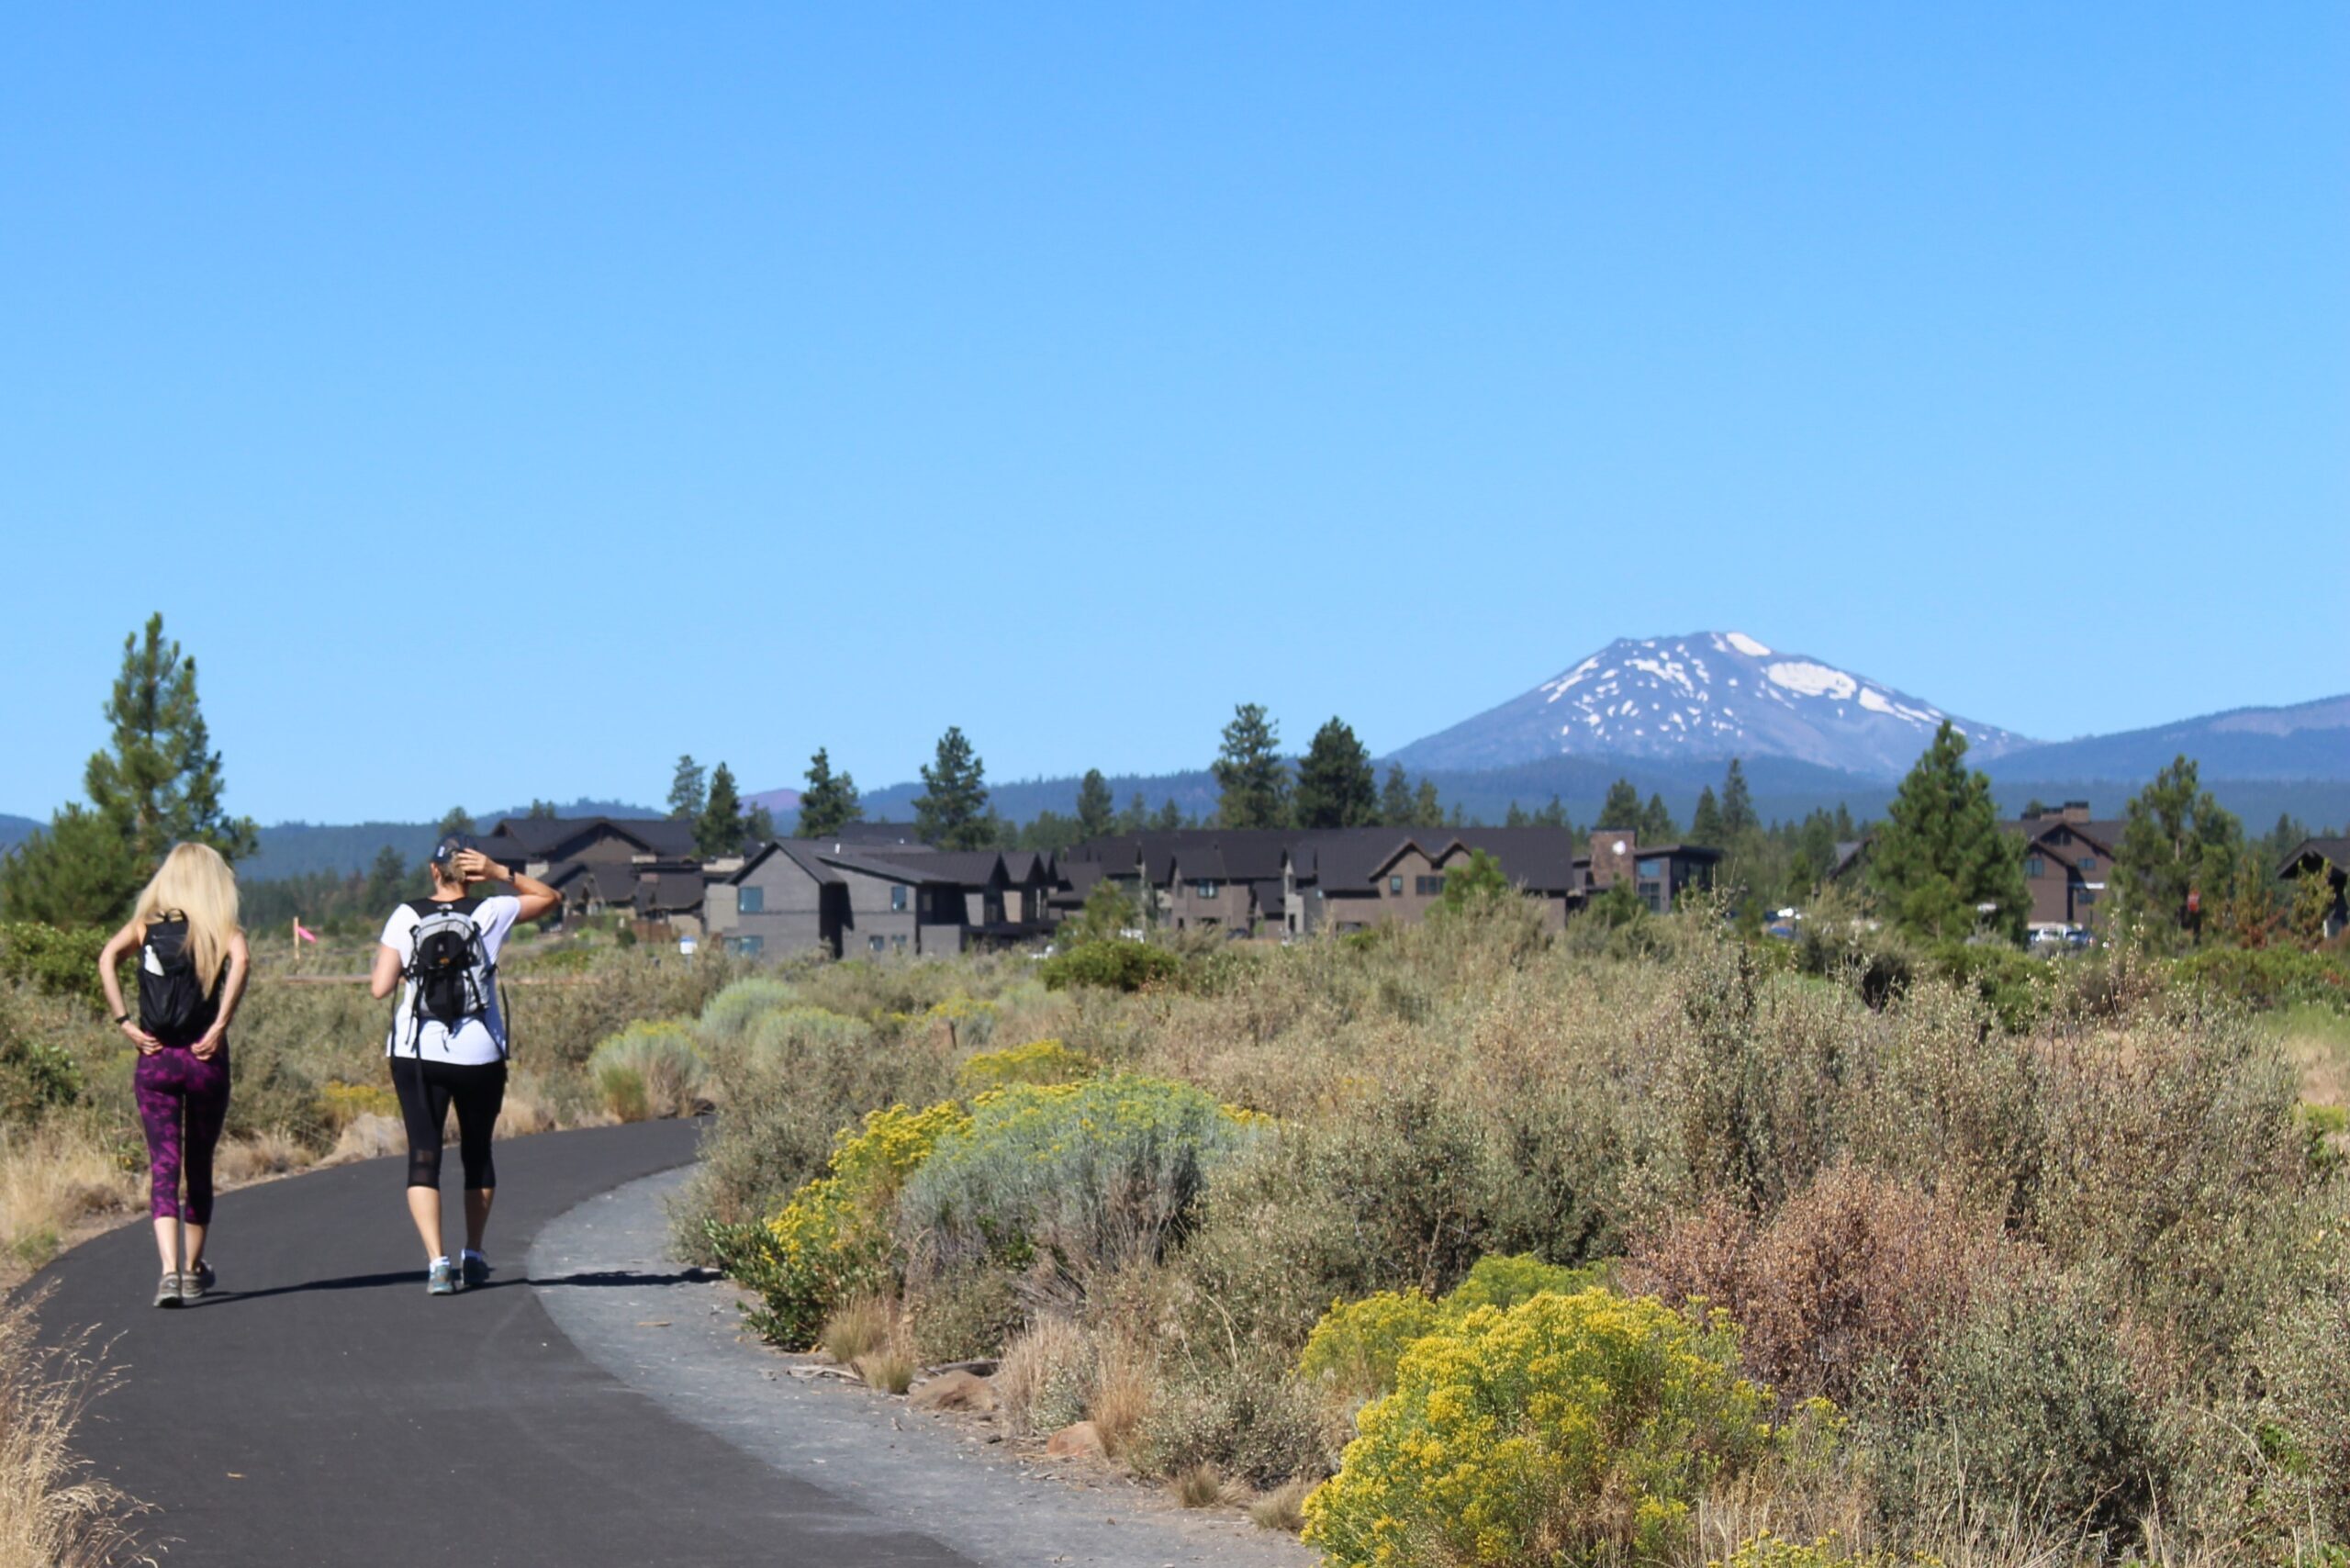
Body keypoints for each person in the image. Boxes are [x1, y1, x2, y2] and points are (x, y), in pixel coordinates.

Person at [369, 835, 559, 1295]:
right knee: (477, 1153)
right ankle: (472, 1253)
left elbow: (380, 987)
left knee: (423, 1157)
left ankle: (437, 1264)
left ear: (434, 872)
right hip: (480, 1052)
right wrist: (501, 873)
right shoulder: (491, 912)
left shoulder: (406, 915)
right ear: (470, 875)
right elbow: (549, 898)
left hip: (417, 1053)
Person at [97, 843, 252, 1308]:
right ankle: (191, 1270)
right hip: (204, 1059)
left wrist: (125, 1023)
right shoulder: (219, 928)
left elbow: (107, 957)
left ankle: (167, 1271)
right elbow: (242, 960)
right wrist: (221, 1024)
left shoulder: (146, 925)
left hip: (156, 1057)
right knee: (199, 1163)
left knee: (164, 1165)